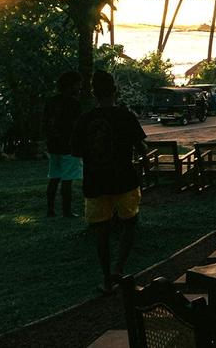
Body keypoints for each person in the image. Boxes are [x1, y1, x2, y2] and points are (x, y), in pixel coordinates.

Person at [73, 71, 147, 293]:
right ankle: (118, 268)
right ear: (115, 92)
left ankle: (106, 278)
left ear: (94, 94)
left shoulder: (84, 120)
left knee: (101, 232)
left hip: (95, 182)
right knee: (130, 223)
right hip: (124, 179)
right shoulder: (125, 116)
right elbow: (142, 148)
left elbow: (76, 151)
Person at [44, 72, 83, 218]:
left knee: (54, 177)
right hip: (68, 146)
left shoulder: (51, 102)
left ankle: (50, 210)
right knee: (67, 179)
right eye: (78, 84)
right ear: (71, 85)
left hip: (53, 145)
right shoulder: (74, 104)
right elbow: (76, 126)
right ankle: (67, 211)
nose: (79, 87)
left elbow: (45, 123)